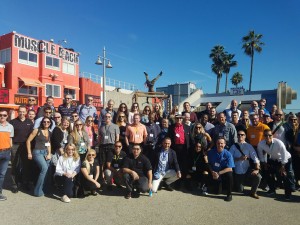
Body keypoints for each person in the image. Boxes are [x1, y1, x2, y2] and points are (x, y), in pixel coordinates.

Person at [257, 129, 296, 200]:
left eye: (270, 135)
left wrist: (283, 166)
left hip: (285, 159)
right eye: (266, 135)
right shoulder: (261, 144)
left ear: (272, 135)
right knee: (267, 172)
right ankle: (272, 189)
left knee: (285, 176)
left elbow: (284, 155)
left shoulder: (279, 143)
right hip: (274, 159)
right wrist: (264, 163)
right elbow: (260, 155)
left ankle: (288, 193)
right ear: (263, 136)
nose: (268, 137)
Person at [229, 129, 261, 199]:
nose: (240, 136)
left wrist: (257, 169)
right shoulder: (233, 146)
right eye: (239, 135)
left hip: (247, 170)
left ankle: (253, 192)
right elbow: (229, 160)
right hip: (237, 172)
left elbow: (255, 158)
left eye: (242, 135)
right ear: (237, 136)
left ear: (245, 136)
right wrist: (239, 158)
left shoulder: (249, 146)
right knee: (239, 190)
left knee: (258, 176)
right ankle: (240, 184)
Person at [9, 106, 34, 193]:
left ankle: (25, 183)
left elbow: (32, 135)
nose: (22, 113)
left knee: (26, 165)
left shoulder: (29, 122)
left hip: (25, 146)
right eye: (20, 111)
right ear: (18, 112)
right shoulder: (12, 122)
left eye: (23, 112)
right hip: (15, 145)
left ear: (26, 112)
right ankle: (14, 185)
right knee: (14, 165)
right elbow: (9, 136)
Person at [26, 117, 52, 197]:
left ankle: (44, 189)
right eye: (44, 122)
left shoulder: (49, 132)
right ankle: (37, 191)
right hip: (37, 152)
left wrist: (49, 153)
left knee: (47, 170)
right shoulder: (37, 130)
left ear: (50, 123)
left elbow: (48, 144)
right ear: (42, 122)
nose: (46, 123)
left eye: (48, 122)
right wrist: (29, 153)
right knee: (44, 168)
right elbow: (28, 141)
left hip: (45, 153)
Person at [167, 114, 191, 189]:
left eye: (180, 118)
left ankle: (186, 183)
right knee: (176, 165)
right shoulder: (171, 127)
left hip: (184, 148)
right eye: (177, 118)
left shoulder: (187, 127)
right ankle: (177, 182)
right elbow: (169, 137)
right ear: (175, 119)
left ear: (182, 119)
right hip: (175, 148)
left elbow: (190, 138)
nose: (179, 120)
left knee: (185, 166)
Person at [207, 137, 235, 202]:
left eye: (221, 143)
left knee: (230, 175)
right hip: (214, 171)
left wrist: (218, 173)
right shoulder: (211, 152)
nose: (220, 145)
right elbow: (208, 164)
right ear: (216, 144)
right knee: (217, 192)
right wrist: (212, 172)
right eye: (218, 143)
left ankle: (229, 194)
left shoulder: (228, 154)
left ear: (225, 144)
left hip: (223, 172)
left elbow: (230, 168)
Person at [98, 112, 120, 179]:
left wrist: (116, 147)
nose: (107, 118)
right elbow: (99, 137)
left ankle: (110, 179)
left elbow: (117, 137)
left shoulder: (115, 126)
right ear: (104, 118)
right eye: (106, 117)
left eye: (109, 117)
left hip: (111, 146)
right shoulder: (101, 127)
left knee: (109, 163)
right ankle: (102, 177)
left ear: (111, 118)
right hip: (103, 145)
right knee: (102, 162)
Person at [0, 109, 14, 201]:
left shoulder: (10, 126)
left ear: (7, 116)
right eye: (0, 115)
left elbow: (10, 139)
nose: (2, 117)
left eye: (4, 115)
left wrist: (10, 150)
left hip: (6, 153)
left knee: (2, 175)